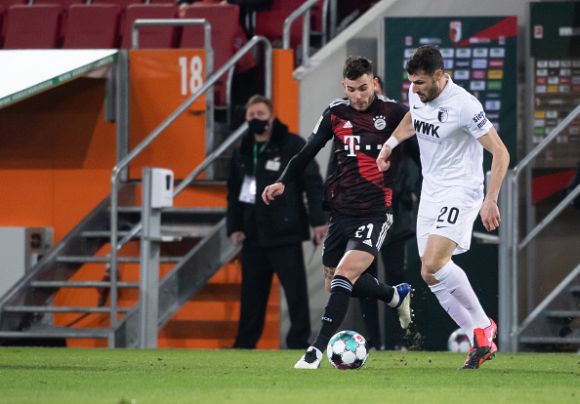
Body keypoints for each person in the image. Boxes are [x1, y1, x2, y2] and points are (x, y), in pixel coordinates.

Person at [262, 57, 412, 369]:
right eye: (352, 89)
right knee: (339, 283)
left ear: (374, 82)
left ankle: (315, 351)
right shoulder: (335, 113)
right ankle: (393, 295)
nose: (358, 96)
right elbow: (306, 152)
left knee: (344, 275)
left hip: (375, 213)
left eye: (364, 88)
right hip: (341, 214)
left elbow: (419, 147)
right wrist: (282, 181)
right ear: (344, 86)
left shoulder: (394, 112)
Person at [376, 45, 510, 369]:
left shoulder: (464, 105)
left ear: (439, 75)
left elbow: (501, 152)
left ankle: (483, 325)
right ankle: (479, 339)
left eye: (420, 83)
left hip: (461, 191)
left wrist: (491, 199)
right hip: (431, 190)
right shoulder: (417, 94)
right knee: (428, 273)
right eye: (411, 82)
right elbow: (413, 118)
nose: (414, 89)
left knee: (436, 261)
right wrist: (389, 145)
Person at [226, 95, 327, 349]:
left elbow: (313, 183)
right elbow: (234, 193)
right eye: (251, 115)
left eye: (260, 114)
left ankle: (298, 341)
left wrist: (318, 221)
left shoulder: (292, 144)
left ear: (271, 117)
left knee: (295, 293)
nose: (255, 119)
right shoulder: (242, 149)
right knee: (251, 294)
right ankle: (245, 343)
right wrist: (234, 227)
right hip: (253, 234)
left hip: (285, 232)